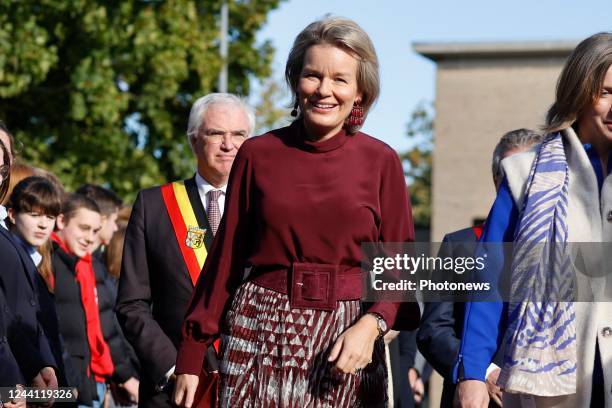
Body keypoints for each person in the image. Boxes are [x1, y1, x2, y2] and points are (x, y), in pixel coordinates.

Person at [173, 17, 418, 408]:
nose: (324, 90)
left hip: (346, 341)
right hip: (257, 334)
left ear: (360, 92)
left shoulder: (381, 161)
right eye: (312, 76)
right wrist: (191, 352)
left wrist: (371, 327)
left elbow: (399, 266)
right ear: (295, 80)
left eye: (340, 79)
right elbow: (225, 260)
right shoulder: (256, 154)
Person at [455, 32, 612, 408]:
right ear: (579, 91)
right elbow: (490, 277)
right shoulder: (524, 173)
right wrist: (474, 373)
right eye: (606, 92)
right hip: (554, 384)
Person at [116, 93, 255, 408]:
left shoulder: (267, 208)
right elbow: (132, 304)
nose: (228, 144)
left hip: (251, 383)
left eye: (239, 135)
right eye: (216, 133)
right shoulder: (155, 205)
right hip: (174, 390)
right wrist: (171, 367)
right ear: (194, 140)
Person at [417, 129, 542, 407]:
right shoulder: (459, 245)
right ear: (497, 180)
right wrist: (482, 372)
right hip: (476, 398)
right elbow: (434, 330)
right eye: (512, 175)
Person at [0, 124, 59, 394]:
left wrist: (45, 364)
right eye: (34, 214)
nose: (43, 225)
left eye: (4, 164)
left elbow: (31, 317)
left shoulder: (12, 241)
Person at [76, 184, 140, 404]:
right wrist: (127, 377)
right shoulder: (79, 265)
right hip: (81, 382)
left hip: (96, 380)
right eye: (112, 221)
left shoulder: (94, 265)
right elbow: (105, 328)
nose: (114, 228)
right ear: (100, 220)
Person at [52, 194, 114, 407]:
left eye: (95, 231)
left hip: (84, 381)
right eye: (83, 228)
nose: (90, 237)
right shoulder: (48, 263)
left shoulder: (79, 264)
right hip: (60, 383)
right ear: (61, 221)